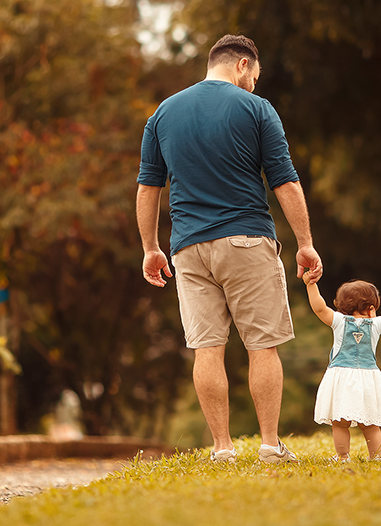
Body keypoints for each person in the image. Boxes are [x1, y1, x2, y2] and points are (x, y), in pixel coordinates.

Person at [136, 34, 323, 464]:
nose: (254, 86)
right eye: (254, 78)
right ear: (242, 65)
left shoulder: (163, 113)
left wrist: (150, 247)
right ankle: (270, 445)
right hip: (247, 240)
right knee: (262, 346)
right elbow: (284, 180)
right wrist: (305, 243)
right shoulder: (257, 109)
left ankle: (222, 449)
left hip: (187, 249)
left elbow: (148, 186)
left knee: (207, 348)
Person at [304, 269, 381, 461]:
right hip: (368, 378)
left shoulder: (339, 321)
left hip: (341, 377)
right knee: (371, 423)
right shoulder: (376, 324)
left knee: (340, 422)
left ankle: (343, 457)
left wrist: (311, 285)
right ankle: (376, 457)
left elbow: (319, 308)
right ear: (371, 306)